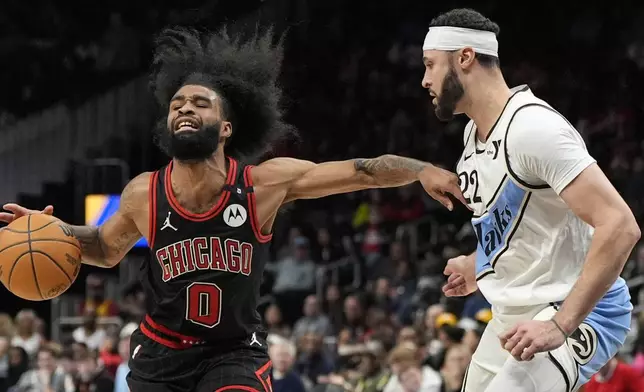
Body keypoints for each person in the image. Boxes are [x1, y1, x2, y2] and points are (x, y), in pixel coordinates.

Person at [0, 27, 465, 392]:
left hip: (232, 352)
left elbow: (361, 171)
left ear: (225, 128)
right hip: (160, 354)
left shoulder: (264, 184)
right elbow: (104, 248)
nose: (184, 108)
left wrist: (420, 168)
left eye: (199, 103)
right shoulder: (144, 192)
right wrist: (54, 231)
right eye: (177, 103)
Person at [421, 8, 640, 392]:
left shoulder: (533, 128)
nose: (425, 80)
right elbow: (527, 227)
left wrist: (560, 325)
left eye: (430, 65)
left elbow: (620, 226)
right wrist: (478, 263)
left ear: (465, 57)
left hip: (580, 308)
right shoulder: (473, 138)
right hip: (516, 309)